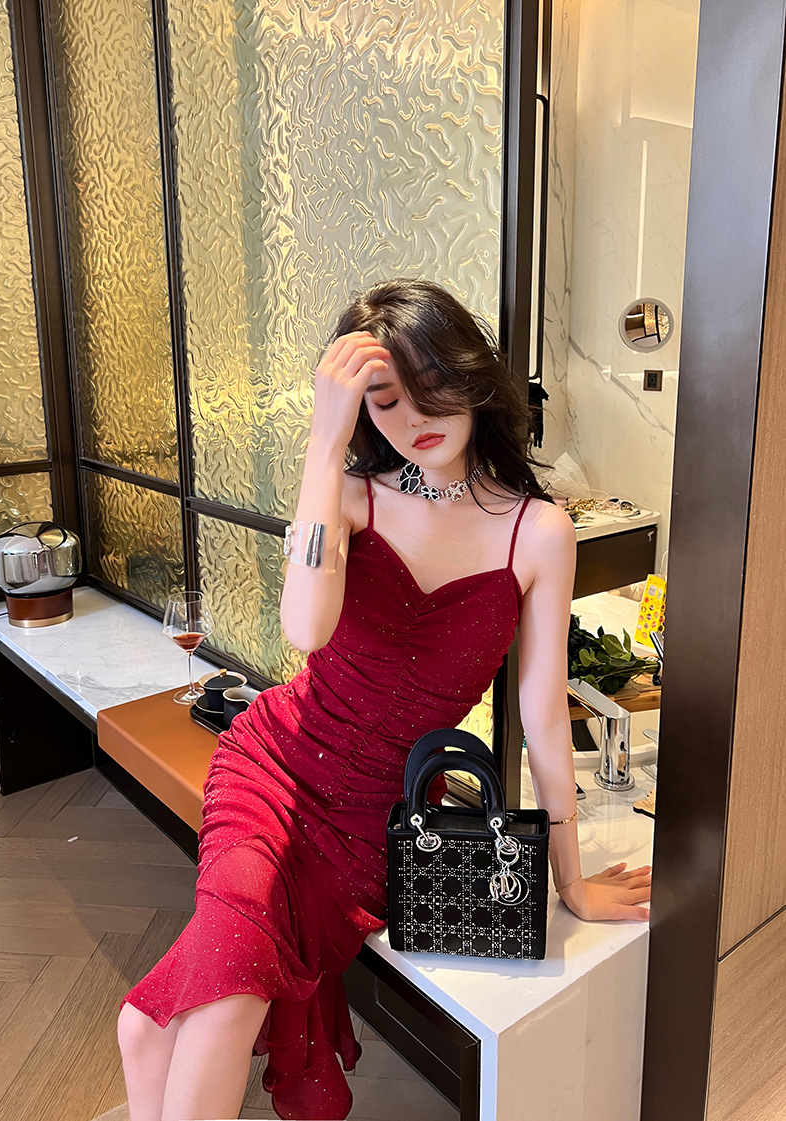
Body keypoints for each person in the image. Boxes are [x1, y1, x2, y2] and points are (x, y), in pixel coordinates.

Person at [116, 279, 652, 1121]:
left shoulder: (537, 532)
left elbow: (544, 716)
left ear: (470, 373)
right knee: (207, 1015)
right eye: (385, 399)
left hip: (375, 821)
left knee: (145, 1029)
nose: (416, 418)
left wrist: (570, 879)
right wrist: (323, 446)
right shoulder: (353, 497)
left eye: (433, 383)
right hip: (271, 766)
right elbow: (305, 625)